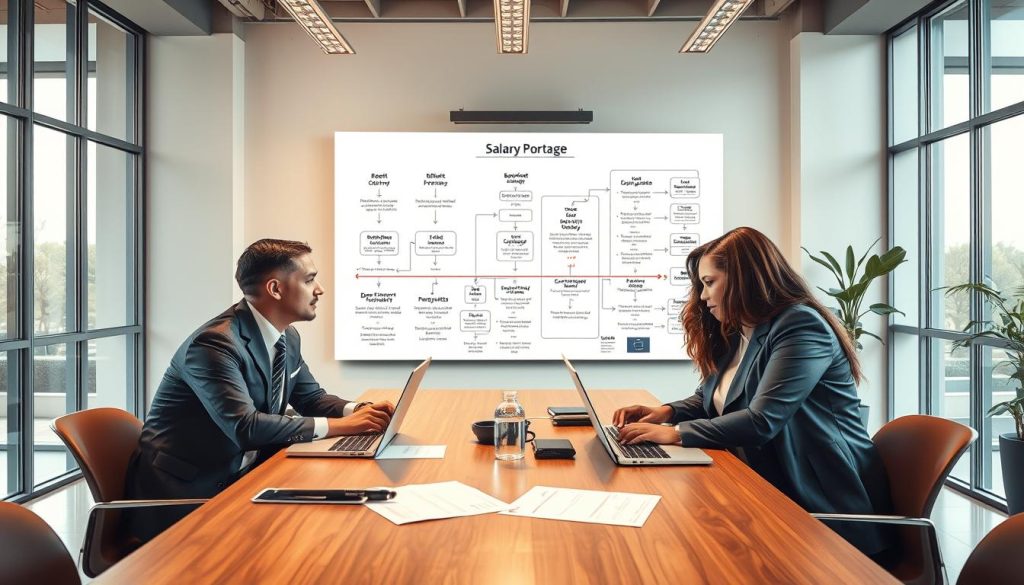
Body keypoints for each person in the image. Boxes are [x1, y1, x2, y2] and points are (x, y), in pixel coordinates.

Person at [612, 226, 894, 558]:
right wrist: (666, 413)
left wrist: (672, 434)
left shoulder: (801, 326)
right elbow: (714, 398)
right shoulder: (742, 329)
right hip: (766, 480)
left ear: (744, 278)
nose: (703, 297)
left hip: (820, 501)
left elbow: (762, 421)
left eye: (709, 282)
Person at [125, 239, 394, 541]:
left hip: (243, 477)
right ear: (276, 289)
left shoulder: (286, 337)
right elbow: (246, 426)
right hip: (186, 498)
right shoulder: (214, 345)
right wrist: (340, 426)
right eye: (309, 280)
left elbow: (311, 398)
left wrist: (359, 410)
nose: (319, 289)